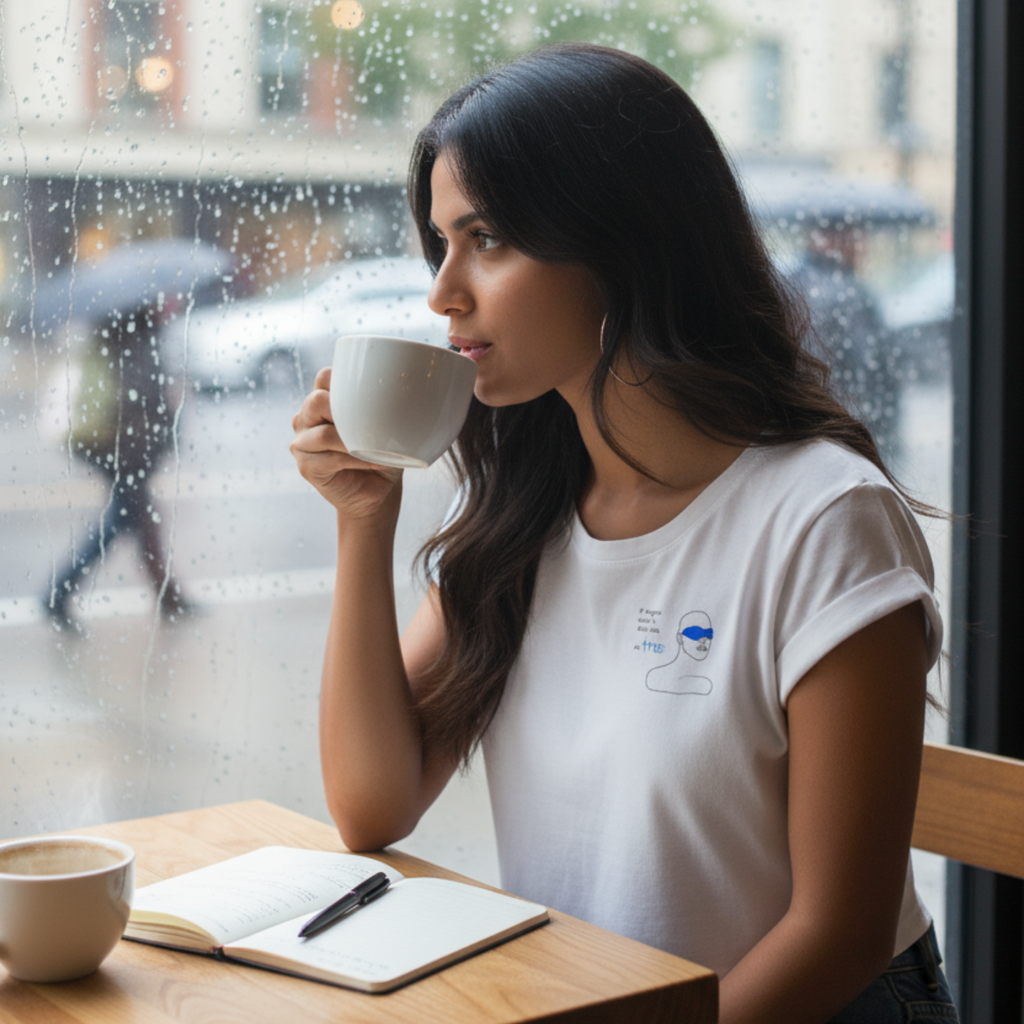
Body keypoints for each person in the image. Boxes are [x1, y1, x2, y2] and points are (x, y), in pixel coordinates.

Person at [290, 44, 959, 1023]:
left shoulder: (822, 517)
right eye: (440, 243)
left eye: (487, 239)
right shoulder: (522, 516)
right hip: (591, 998)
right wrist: (363, 523)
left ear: (621, 241)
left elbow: (841, 931)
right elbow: (370, 805)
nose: (443, 292)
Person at [45, 300, 194, 628]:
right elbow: (138, 399)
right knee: (121, 520)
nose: (168, 304)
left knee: (142, 517)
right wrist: (164, 425)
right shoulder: (134, 337)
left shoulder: (116, 332)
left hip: (115, 446)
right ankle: (58, 593)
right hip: (125, 449)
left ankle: (169, 596)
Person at [786, 222, 904, 467]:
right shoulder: (848, 290)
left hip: (804, 418)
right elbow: (867, 357)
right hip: (847, 414)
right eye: (853, 238)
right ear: (828, 240)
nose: (861, 247)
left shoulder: (791, 281)